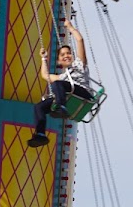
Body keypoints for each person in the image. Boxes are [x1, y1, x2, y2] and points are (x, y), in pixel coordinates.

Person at [28, 20, 93, 148]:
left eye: (68, 53)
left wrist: (70, 27)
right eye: (63, 55)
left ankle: (61, 107)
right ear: (59, 61)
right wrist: (43, 58)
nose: (66, 56)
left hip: (82, 93)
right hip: (69, 92)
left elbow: (80, 40)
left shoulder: (79, 64)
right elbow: (45, 75)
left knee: (59, 84)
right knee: (39, 107)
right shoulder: (62, 76)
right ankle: (40, 134)